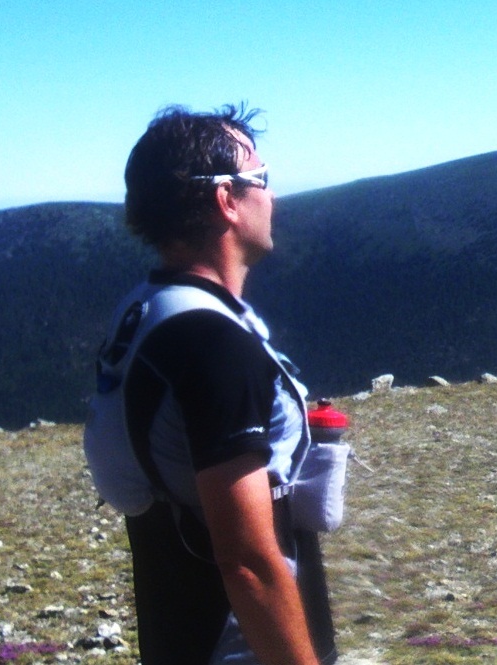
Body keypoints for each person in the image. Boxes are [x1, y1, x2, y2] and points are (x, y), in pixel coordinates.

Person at [106, 104, 336, 665]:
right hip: (238, 646)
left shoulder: (146, 309)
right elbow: (248, 562)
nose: (273, 196)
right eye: (262, 178)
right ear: (226, 198)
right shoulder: (215, 346)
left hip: (178, 630)